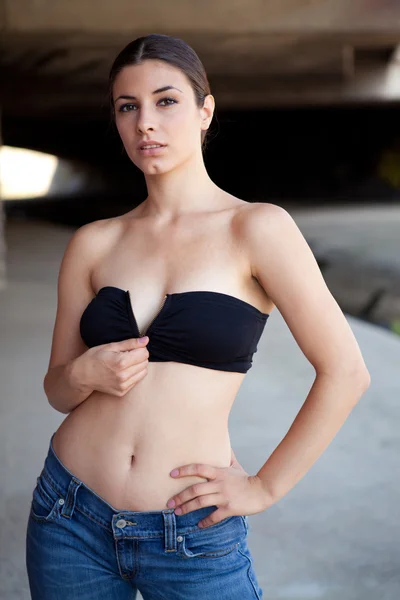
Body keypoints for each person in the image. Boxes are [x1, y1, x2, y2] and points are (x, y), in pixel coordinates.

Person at [25, 33, 371, 599]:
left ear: (205, 110)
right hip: (69, 514)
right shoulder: (93, 243)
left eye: (166, 101)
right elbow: (57, 388)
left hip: (190, 532)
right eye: (127, 107)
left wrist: (263, 487)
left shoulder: (256, 229)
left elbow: (345, 371)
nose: (146, 124)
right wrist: (84, 374)